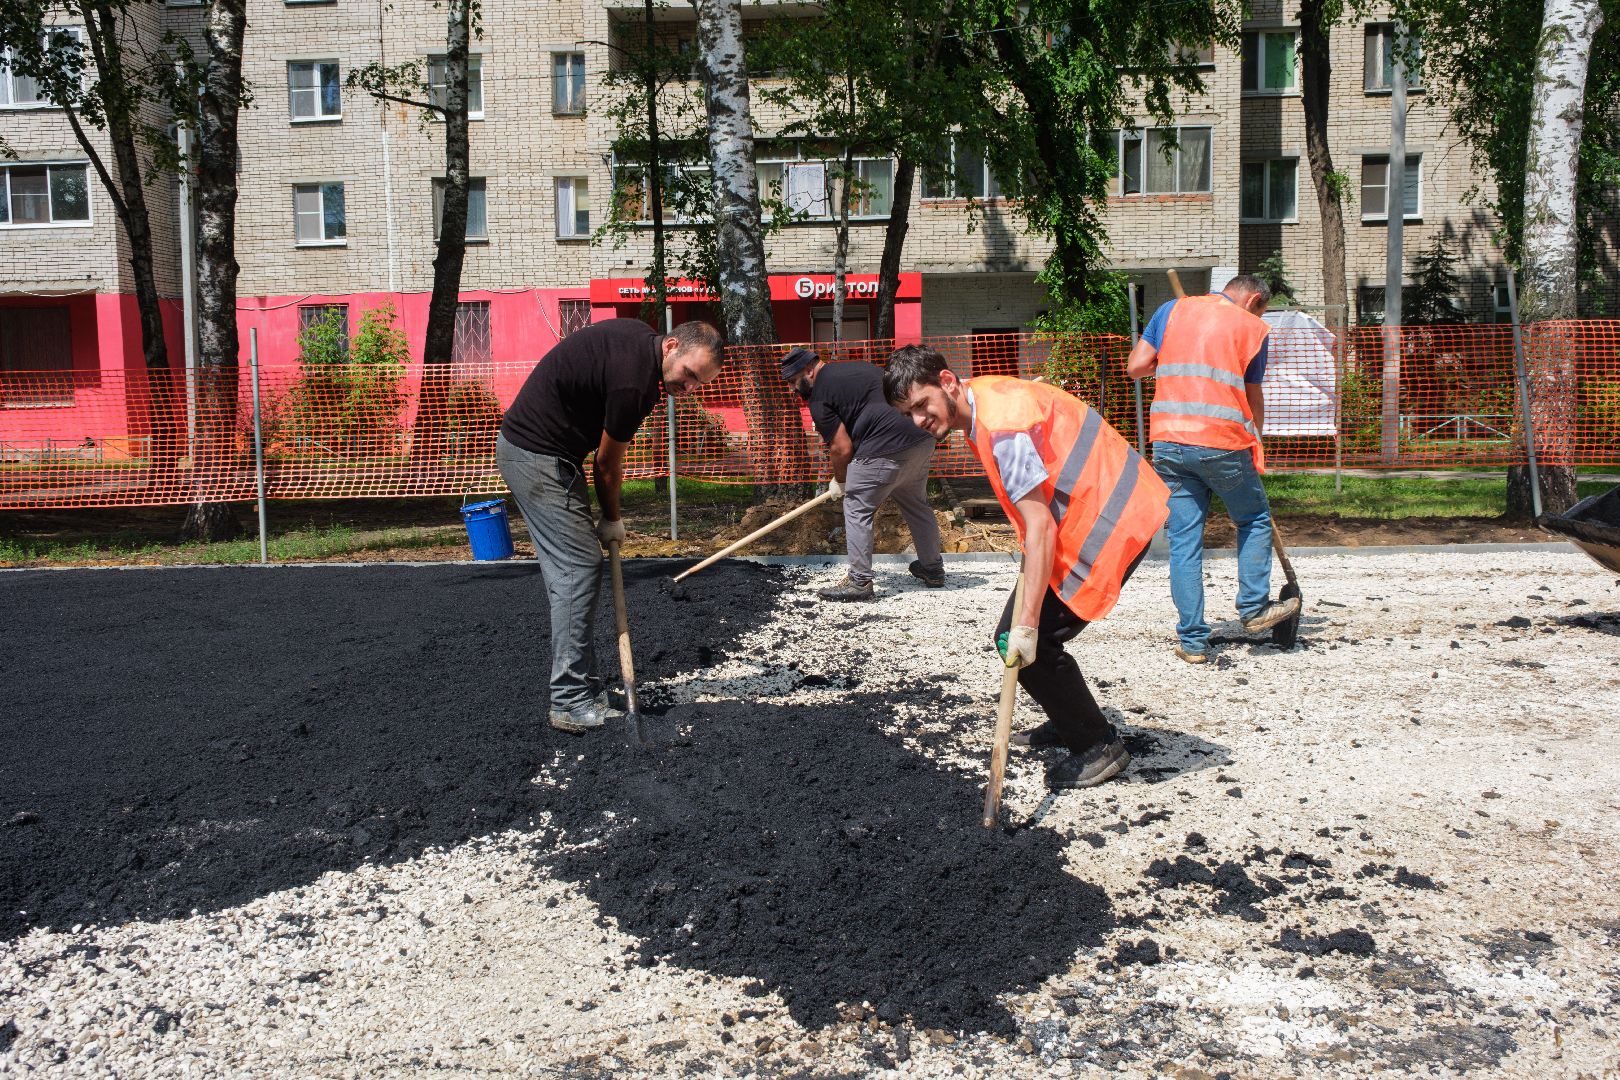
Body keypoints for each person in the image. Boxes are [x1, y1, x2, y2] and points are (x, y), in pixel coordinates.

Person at [883, 345, 1169, 790]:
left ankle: (1098, 746)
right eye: (908, 413)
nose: (918, 420)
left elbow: (1040, 527)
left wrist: (1030, 623)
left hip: (1109, 522)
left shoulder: (1004, 428)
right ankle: (1067, 717)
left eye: (921, 405)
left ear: (947, 382)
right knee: (1015, 637)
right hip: (1094, 511)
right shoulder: (986, 400)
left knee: (1032, 644)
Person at [497, 318, 725, 733]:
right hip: (536, 454)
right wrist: (613, 519)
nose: (689, 389)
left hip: (550, 454)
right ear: (671, 346)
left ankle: (585, 687)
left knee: (577, 566)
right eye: (689, 374)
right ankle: (569, 699)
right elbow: (607, 464)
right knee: (577, 567)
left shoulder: (640, 341)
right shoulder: (633, 385)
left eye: (699, 385)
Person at [1125, 274, 1300, 664]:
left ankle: (1192, 643)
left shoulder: (1171, 310)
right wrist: (1258, 439)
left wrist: (1174, 361)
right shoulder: (1251, 328)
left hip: (1169, 442)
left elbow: (1136, 367)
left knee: (1184, 544)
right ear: (1254, 299)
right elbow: (1253, 394)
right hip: (1221, 442)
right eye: (1262, 308)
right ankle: (1254, 609)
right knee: (1253, 519)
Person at [780, 347, 946, 601]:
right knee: (916, 504)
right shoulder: (861, 367)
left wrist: (843, 481)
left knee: (857, 508)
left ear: (808, 369)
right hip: (920, 438)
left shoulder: (819, 397)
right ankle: (933, 569)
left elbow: (841, 447)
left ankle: (859, 582)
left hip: (882, 447)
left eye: (793, 381)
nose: (793, 388)